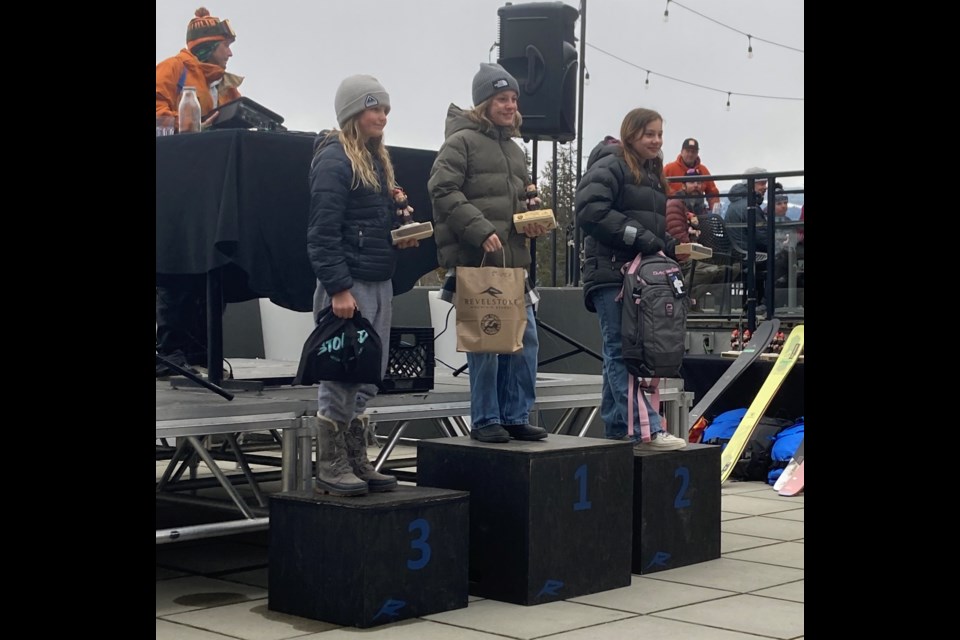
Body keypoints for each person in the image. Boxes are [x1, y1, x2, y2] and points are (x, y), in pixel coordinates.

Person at [308, 74, 420, 496]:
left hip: (378, 280)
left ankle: (356, 457)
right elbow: (322, 232)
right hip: (349, 284)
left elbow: (368, 224)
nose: (383, 116)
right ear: (354, 112)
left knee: (368, 374)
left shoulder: (376, 161)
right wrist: (338, 288)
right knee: (340, 375)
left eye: (386, 109)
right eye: (375, 108)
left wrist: (400, 234)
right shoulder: (335, 159)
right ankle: (332, 463)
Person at [428, 62, 550, 444]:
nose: (510, 105)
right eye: (502, 98)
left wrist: (531, 220)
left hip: (513, 261)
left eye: (513, 98)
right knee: (487, 342)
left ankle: (515, 415)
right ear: (484, 103)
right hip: (479, 262)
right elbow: (442, 188)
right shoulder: (460, 142)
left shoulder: (515, 150)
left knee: (525, 339)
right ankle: (485, 419)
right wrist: (480, 230)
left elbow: (514, 202)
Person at [574, 110, 687, 451]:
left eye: (660, 134)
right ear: (631, 134)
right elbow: (590, 210)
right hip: (612, 275)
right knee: (625, 352)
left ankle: (619, 431)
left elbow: (647, 229)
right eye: (649, 134)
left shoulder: (651, 172)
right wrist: (640, 237)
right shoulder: (612, 164)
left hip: (637, 276)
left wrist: (670, 246)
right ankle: (644, 430)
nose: (656, 140)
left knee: (622, 352)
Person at [155, 6, 243, 376]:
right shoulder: (172, 69)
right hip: (174, 183)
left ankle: (199, 350)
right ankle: (169, 352)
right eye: (226, 45)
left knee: (210, 266)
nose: (231, 53)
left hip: (210, 187)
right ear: (208, 45)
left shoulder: (228, 84)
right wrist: (190, 124)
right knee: (177, 263)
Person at [664, 138, 721, 210]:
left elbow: (713, 194)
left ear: (697, 153)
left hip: (698, 213)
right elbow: (660, 190)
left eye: (693, 152)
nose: (690, 154)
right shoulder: (669, 169)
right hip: (675, 211)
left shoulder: (703, 171)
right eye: (688, 151)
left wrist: (715, 212)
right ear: (681, 152)